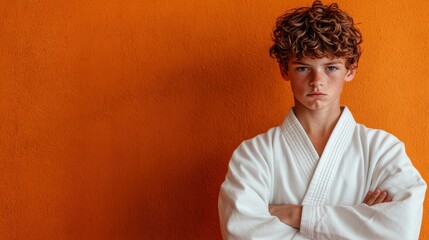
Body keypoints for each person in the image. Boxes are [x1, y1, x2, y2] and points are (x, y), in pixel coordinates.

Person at [218, 1, 426, 239]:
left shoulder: (383, 151)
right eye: (303, 68)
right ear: (284, 70)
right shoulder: (253, 155)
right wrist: (358, 222)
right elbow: (242, 233)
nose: (317, 81)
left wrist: (297, 215)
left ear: (351, 69)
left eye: (331, 67)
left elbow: (400, 231)